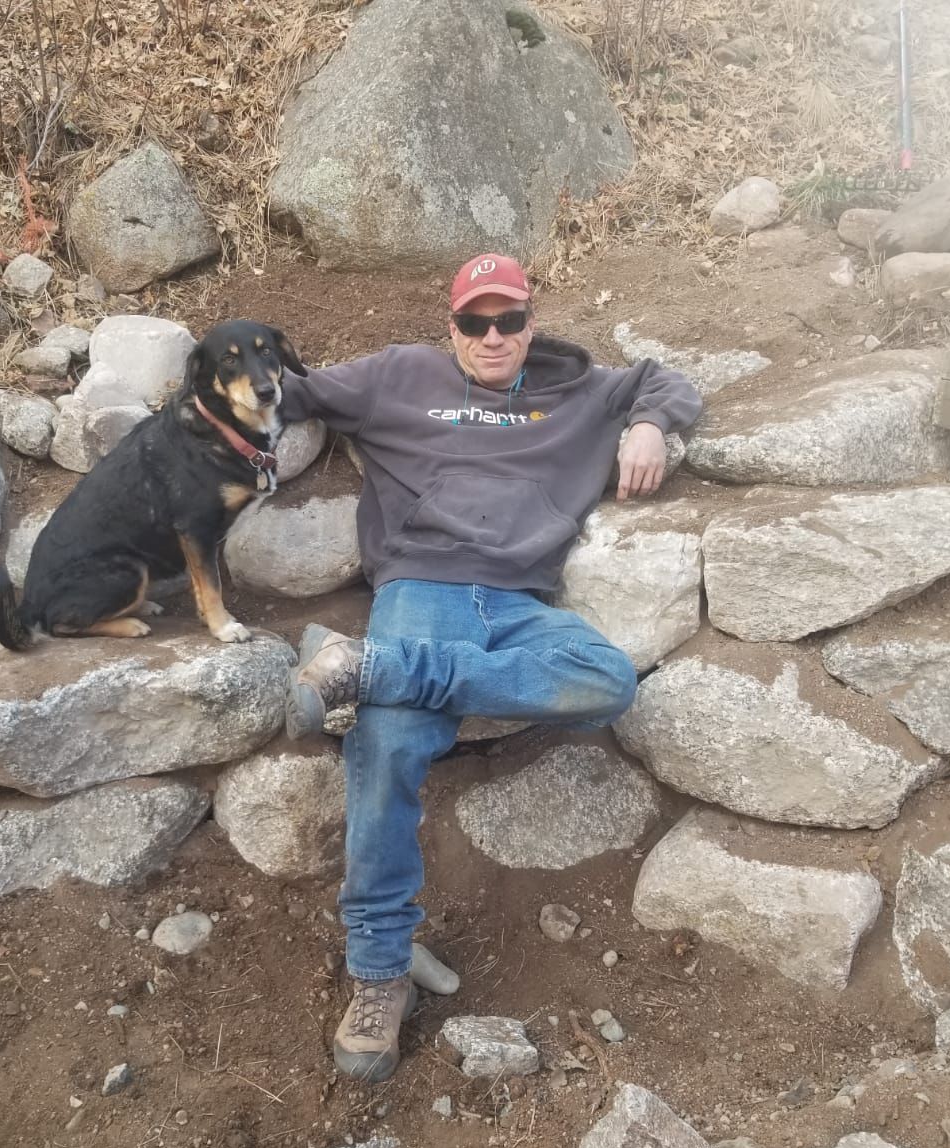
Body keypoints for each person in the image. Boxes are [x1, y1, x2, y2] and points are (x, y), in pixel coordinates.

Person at [276, 252, 702, 1083]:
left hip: (516, 604)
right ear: (453, 327)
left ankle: (369, 668)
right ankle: (379, 973)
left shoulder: (580, 390)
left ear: (531, 322)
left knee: (607, 680)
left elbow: (666, 380)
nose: (493, 335)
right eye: (476, 321)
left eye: (509, 319)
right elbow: (288, 389)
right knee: (388, 748)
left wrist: (649, 424)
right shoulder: (398, 375)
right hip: (422, 590)